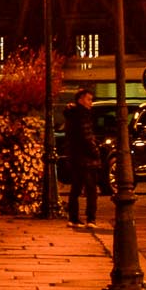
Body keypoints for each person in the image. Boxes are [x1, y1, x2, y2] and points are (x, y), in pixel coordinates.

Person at [62, 85, 101, 227]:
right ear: (80, 100)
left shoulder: (71, 114)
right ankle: (91, 219)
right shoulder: (83, 115)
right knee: (91, 190)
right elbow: (86, 135)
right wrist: (95, 152)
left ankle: (73, 218)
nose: (91, 102)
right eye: (89, 99)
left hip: (75, 157)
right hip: (86, 158)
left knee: (76, 188)